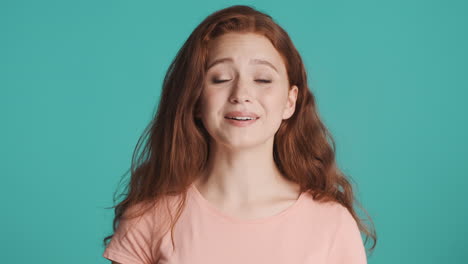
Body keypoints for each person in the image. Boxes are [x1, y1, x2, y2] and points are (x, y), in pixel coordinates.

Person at [102, 4, 377, 264]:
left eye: (262, 79)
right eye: (221, 78)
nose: (241, 95)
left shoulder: (331, 223)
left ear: (290, 102)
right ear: (196, 99)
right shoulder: (149, 218)